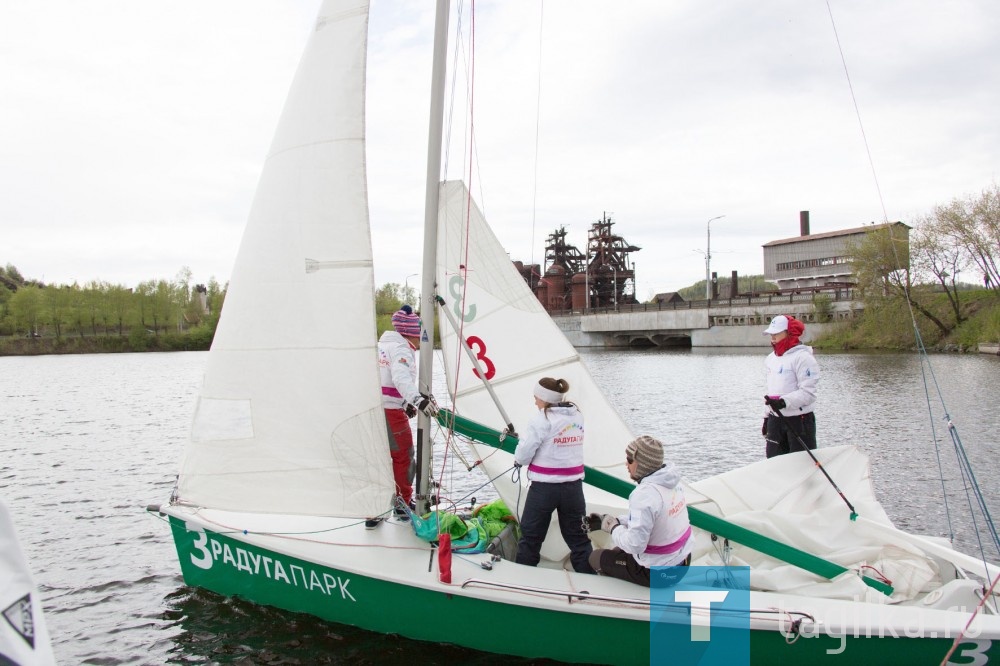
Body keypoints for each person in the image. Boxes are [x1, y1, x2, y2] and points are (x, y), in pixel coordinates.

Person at [513, 377, 594, 574]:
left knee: (531, 537)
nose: (535, 402)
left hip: (544, 489)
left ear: (544, 398)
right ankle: (591, 581)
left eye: (536, 398)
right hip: (573, 488)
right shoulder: (577, 416)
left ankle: (522, 579)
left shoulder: (542, 419)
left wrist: (518, 458)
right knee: (579, 539)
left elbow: (524, 454)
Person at [587, 436, 692, 587]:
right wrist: (618, 521)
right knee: (618, 550)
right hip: (683, 562)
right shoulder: (672, 483)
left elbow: (635, 545)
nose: (626, 464)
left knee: (596, 557)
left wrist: (612, 527)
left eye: (630, 460)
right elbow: (653, 520)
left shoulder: (644, 495)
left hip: (659, 574)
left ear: (642, 464)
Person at [377, 305, 436, 514]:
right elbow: (400, 378)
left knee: (380, 457)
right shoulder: (402, 349)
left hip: (375, 409)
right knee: (403, 456)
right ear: (412, 334)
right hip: (390, 412)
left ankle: (376, 508)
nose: (420, 343)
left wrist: (407, 404)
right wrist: (418, 401)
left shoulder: (380, 345)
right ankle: (403, 504)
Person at [761, 314, 819, 458]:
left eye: (776, 333)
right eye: (771, 334)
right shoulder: (771, 359)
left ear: (789, 333)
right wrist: (766, 417)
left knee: (800, 466)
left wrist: (783, 402)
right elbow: (771, 391)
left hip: (799, 421)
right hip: (776, 420)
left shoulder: (803, 358)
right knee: (774, 465)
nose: (772, 337)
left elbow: (808, 394)